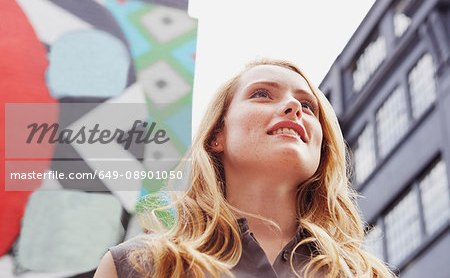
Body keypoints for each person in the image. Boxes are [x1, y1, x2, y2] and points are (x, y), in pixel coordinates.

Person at [94, 59, 395, 277]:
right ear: (216, 136)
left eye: (308, 106)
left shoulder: (365, 274)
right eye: (262, 94)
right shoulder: (137, 265)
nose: (294, 108)